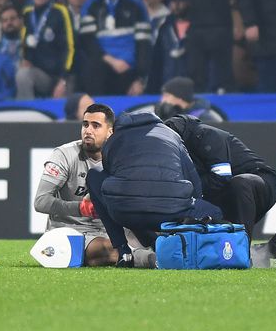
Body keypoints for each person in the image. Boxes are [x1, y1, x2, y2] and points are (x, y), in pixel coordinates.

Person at [85, 111, 224, 267]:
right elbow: (194, 181)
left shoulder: (113, 140)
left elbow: (108, 175)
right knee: (214, 212)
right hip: (171, 213)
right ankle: (200, 251)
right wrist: (190, 206)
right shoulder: (171, 135)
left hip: (125, 213)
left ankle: (124, 251)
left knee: (95, 176)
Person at [164, 114, 276, 268]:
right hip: (229, 192)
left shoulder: (208, 136)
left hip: (261, 183)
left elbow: (221, 178)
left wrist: (189, 190)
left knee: (240, 183)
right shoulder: (181, 146)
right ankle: (269, 250)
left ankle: (243, 254)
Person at [35, 103, 155, 267]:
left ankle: (151, 253)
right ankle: (151, 259)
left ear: (110, 132)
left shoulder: (122, 158)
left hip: (111, 230)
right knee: (106, 248)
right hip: (70, 231)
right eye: (85, 124)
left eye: (96, 126)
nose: (88, 131)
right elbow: (40, 201)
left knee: (153, 234)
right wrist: (80, 208)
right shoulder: (64, 155)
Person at [79, 0, 151, 95]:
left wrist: (140, 79)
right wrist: (112, 61)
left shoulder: (136, 5)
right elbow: (88, 41)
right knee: (92, 67)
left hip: (129, 68)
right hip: (101, 66)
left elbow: (143, 44)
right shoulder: (92, 4)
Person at [17, 0, 74, 99]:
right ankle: (26, 110)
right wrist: (26, 59)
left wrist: (63, 79)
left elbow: (70, 47)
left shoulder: (61, 12)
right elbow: (25, 44)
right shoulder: (27, 13)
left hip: (63, 75)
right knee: (22, 74)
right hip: (41, 74)